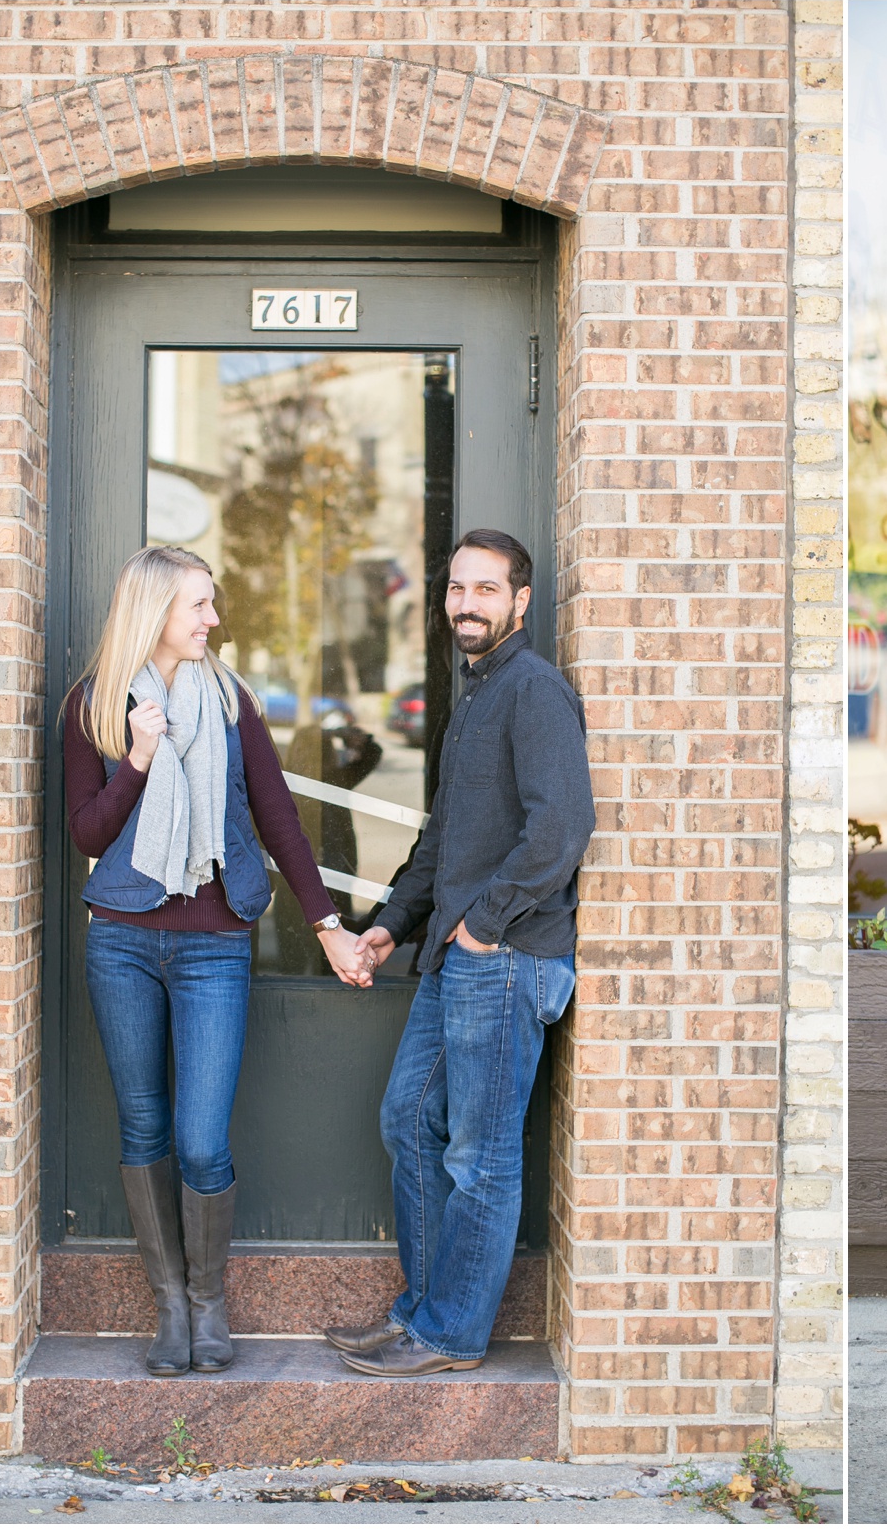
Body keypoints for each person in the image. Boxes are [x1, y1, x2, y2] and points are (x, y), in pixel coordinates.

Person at [62, 546, 375, 1379]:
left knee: (201, 1142)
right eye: (197, 606)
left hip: (214, 943)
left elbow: (278, 820)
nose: (212, 620)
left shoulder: (232, 702)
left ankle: (209, 1300)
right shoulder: (92, 705)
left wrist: (330, 928)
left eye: (212, 604)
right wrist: (135, 758)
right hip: (122, 940)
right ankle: (171, 1307)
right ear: (152, 611)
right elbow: (87, 835)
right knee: (144, 1127)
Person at [329, 529, 596, 1377]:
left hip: (507, 957)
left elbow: (561, 828)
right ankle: (423, 1315)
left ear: (521, 601)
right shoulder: (475, 698)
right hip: (458, 957)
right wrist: (389, 924)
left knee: (480, 1154)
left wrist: (484, 924)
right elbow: (443, 841)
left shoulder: (535, 693)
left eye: (486, 590)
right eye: (455, 589)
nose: (467, 604)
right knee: (409, 1119)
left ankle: (449, 1334)